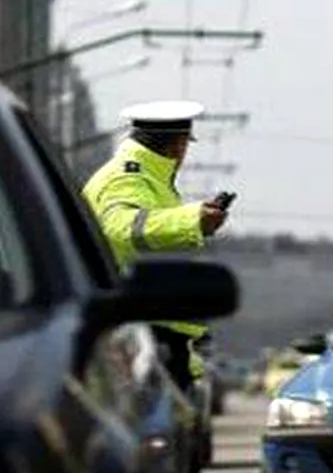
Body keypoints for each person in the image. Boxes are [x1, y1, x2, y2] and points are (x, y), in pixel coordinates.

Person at [83, 100, 232, 391]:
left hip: (155, 334)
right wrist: (192, 220)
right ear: (178, 145)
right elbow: (121, 227)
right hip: (144, 337)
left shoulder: (149, 179)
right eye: (185, 144)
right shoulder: (127, 177)